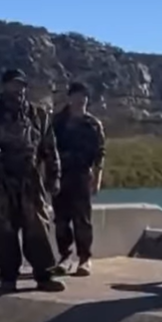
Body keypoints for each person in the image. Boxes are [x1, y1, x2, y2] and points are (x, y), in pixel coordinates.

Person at [0, 69, 65, 292]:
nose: (17, 90)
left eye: (21, 85)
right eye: (12, 85)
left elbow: (50, 148)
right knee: (2, 231)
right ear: (3, 87)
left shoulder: (38, 115)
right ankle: (8, 277)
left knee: (38, 228)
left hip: (31, 181)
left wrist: (54, 177)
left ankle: (44, 276)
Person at [52, 82, 105, 276]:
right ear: (69, 98)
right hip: (60, 176)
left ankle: (84, 258)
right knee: (61, 220)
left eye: (84, 96)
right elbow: (46, 150)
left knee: (82, 220)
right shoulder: (57, 122)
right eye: (76, 95)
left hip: (82, 176)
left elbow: (100, 154)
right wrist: (47, 177)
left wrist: (97, 179)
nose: (80, 100)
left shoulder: (93, 124)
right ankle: (65, 257)